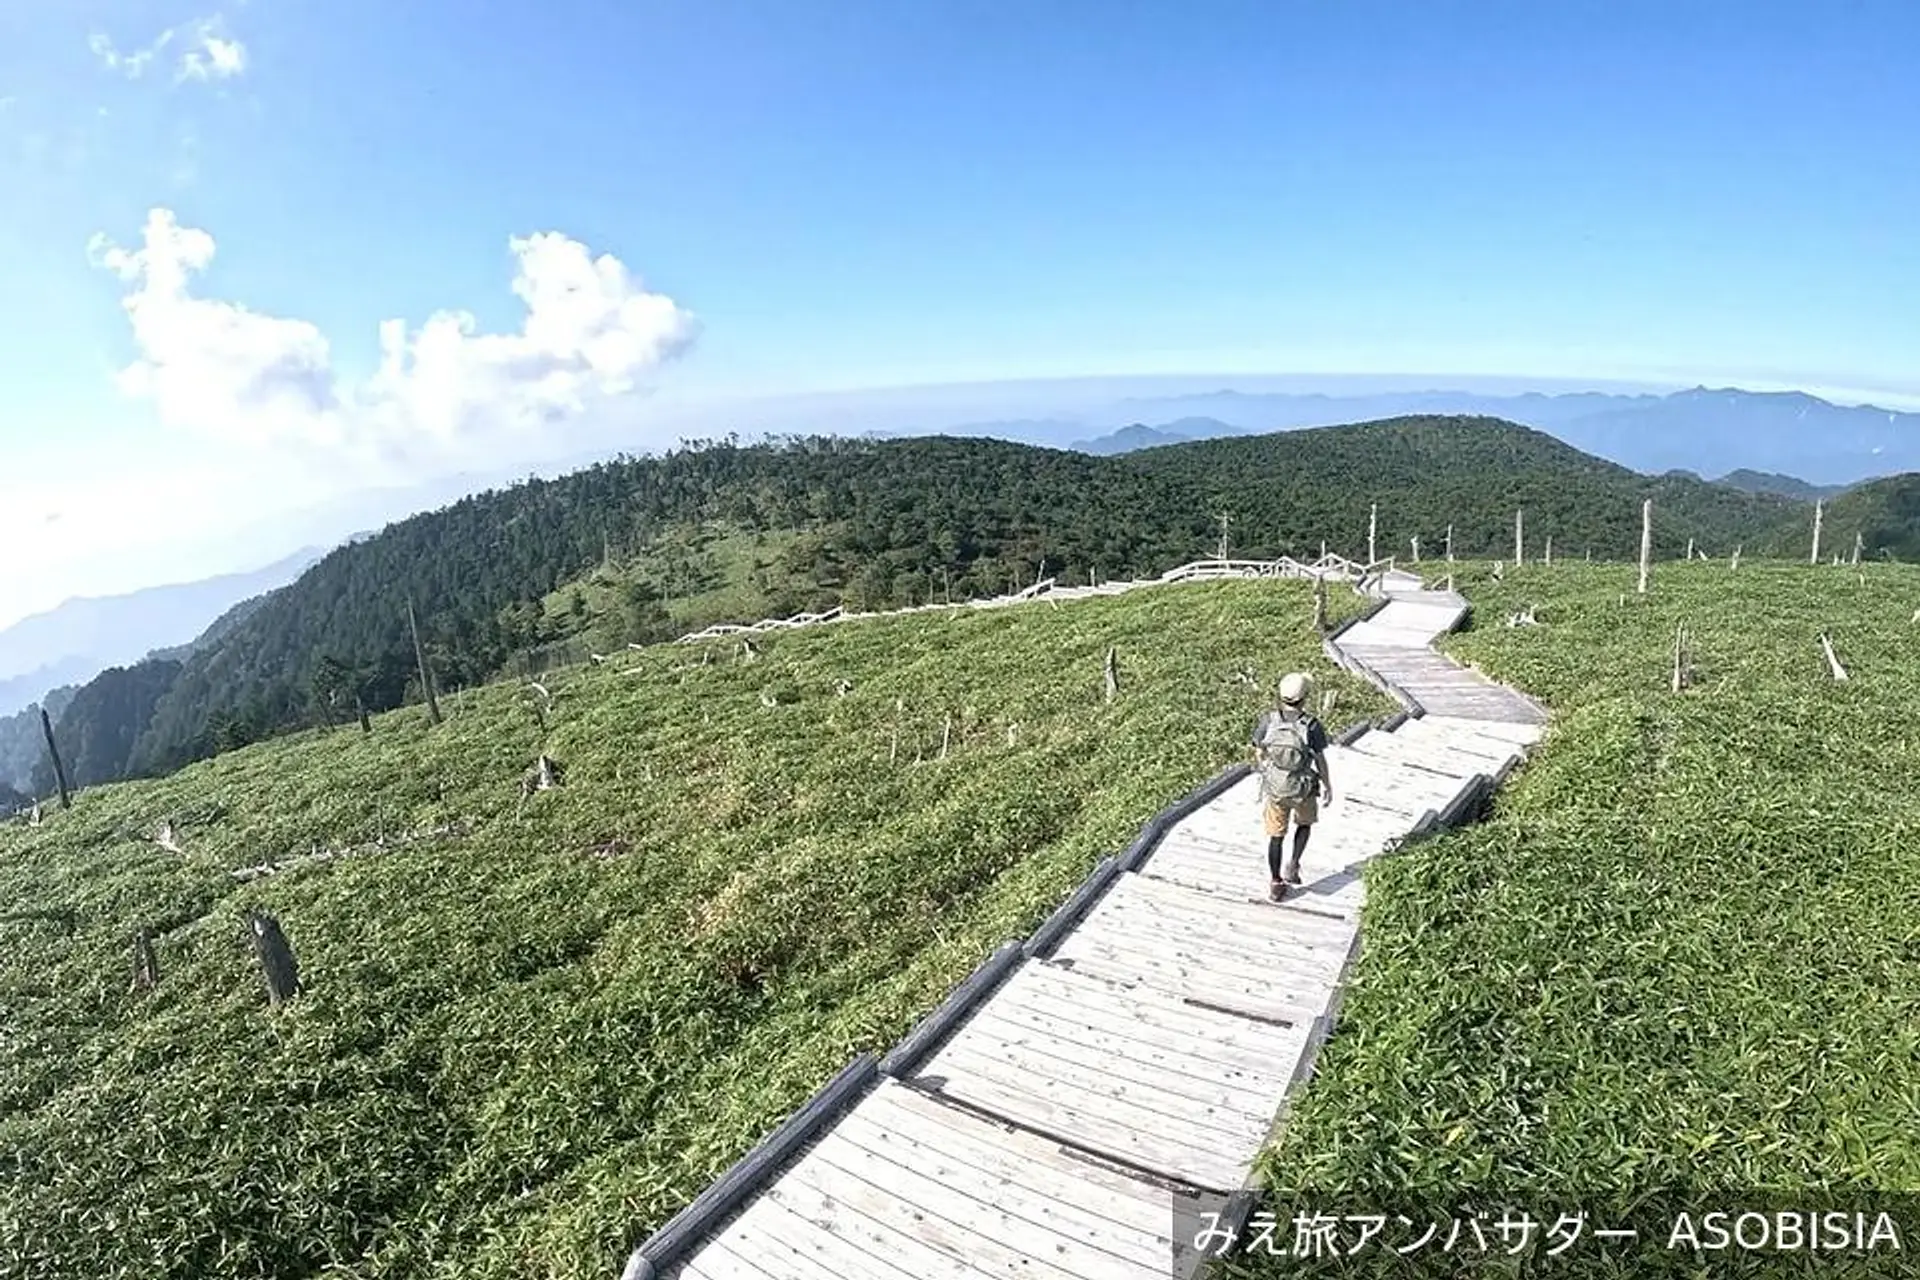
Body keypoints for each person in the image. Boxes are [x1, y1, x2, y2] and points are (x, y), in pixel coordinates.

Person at [1250, 671, 1333, 901]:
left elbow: (1259, 750)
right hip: (1303, 787)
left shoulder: (1269, 720)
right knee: (1304, 824)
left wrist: (1267, 769)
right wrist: (1327, 784)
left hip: (1276, 787)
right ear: (1304, 697)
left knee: (1276, 836)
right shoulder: (1312, 725)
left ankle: (1276, 882)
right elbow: (1319, 759)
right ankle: (1293, 864)